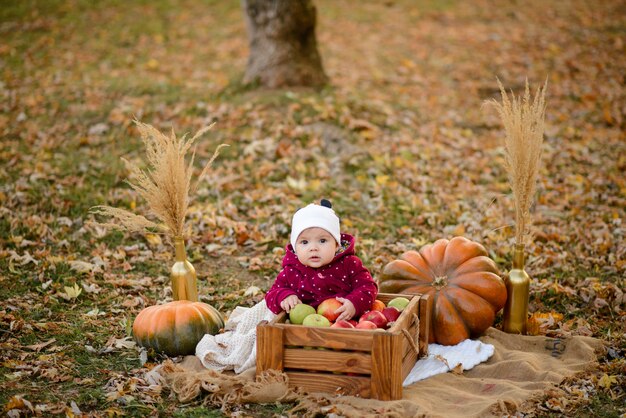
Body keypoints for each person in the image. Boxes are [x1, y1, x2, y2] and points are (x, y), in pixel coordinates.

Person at [265, 199, 378, 321]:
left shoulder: (349, 264)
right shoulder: (291, 270)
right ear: (295, 247)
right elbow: (272, 294)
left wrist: (354, 304)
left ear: (336, 245)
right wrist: (284, 296)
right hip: (304, 327)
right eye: (304, 242)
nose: (313, 248)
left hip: (345, 323)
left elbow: (368, 287)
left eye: (322, 241)